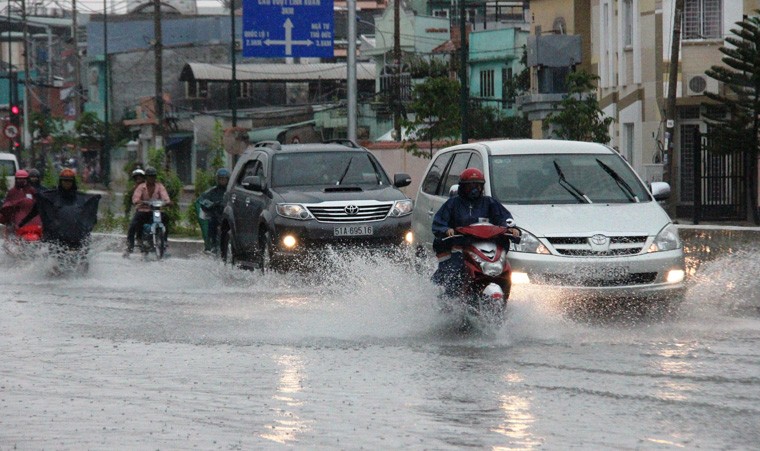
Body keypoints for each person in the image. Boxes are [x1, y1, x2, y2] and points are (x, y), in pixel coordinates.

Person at [431, 168, 520, 295]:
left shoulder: (490, 202)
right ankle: (449, 303)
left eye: (478, 185)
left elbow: (504, 218)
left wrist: (511, 228)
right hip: (461, 247)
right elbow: (438, 223)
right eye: (471, 186)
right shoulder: (453, 203)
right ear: (462, 187)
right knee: (453, 272)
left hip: (489, 248)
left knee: (505, 271)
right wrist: (446, 230)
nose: (475, 189)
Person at [124, 166, 171, 256]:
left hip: (156, 211)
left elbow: (165, 197)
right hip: (143, 211)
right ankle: (130, 246)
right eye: (149, 176)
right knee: (133, 225)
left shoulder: (159, 186)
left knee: (165, 218)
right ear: (146, 177)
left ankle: (164, 241)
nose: (152, 178)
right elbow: (135, 198)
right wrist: (139, 201)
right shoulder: (141, 187)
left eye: (153, 176)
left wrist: (167, 202)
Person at [0, 170, 42, 237]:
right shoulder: (12, 192)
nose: (21, 181)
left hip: (32, 220)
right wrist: (19, 202)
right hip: (15, 220)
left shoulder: (31, 190)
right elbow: (6, 205)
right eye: (19, 179)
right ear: (16, 180)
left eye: (24, 179)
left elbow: (38, 203)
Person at [197, 168, 229, 253]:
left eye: (224, 179)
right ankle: (213, 243)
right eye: (220, 179)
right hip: (216, 215)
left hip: (228, 216)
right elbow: (202, 200)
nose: (222, 181)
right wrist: (212, 204)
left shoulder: (230, 191)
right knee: (212, 222)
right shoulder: (212, 191)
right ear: (217, 179)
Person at [123, 168, 146, 256]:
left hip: (152, 211)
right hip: (140, 212)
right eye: (136, 178)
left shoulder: (151, 186)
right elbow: (129, 201)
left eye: (140, 177)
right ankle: (130, 247)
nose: (138, 180)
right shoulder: (133, 190)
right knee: (132, 227)